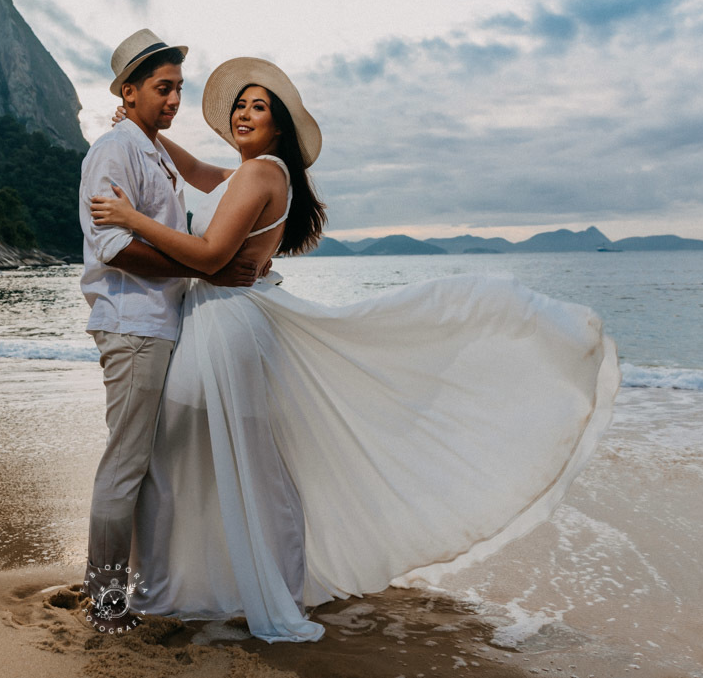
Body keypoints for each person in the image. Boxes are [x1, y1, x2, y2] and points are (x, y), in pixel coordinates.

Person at [91, 57, 620, 643]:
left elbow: (213, 256)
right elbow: (190, 171)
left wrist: (131, 216)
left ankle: (171, 591)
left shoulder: (262, 175)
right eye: (240, 104)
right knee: (216, 461)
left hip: (225, 327)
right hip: (213, 323)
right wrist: (145, 126)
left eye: (258, 107)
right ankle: (197, 583)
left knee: (231, 462)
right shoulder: (245, 175)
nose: (243, 113)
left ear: (280, 130)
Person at [77, 31, 260, 629]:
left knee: (152, 468)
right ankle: (104, 598)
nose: (174, 99)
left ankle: (143, 585)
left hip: (161, 324)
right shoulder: (113, 150)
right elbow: (116, 249)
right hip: (132, 326)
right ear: (128, 93)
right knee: (126, 464)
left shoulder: (154, 153)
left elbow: (208, 184)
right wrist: (203, 263)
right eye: (163, 88)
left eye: (179, 88)